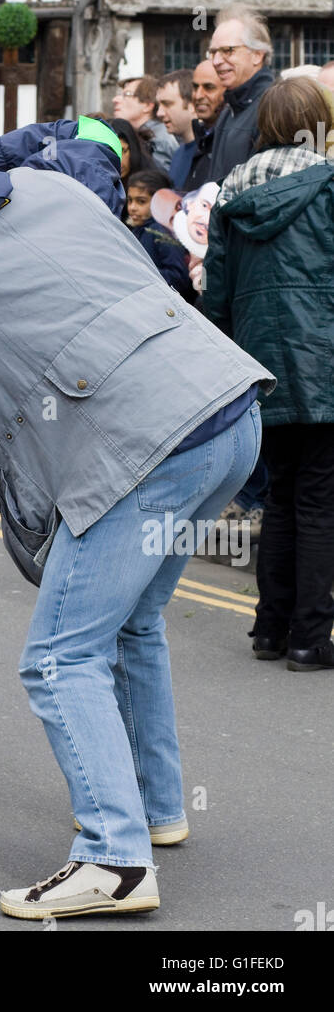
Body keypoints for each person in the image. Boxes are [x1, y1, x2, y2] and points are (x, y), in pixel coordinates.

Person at [0, 124, 272, 920]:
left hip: (146, 447)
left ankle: (115, 860)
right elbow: (83, 140)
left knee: (60, 657)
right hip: (228, 409)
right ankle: (157, 806)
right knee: (135, 624)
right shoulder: (58, 183)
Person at [202, 76, 334, 672]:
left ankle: (271, 629)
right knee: (320, 502)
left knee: (281, 495)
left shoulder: (231, 192)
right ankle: (311, 638)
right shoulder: (330, 183)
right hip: (326, 361)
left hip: (262, 362)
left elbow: (218, 296)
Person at [207, 5, 275, 182]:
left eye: (228, 50)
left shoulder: (273, 107)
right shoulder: (229, 108)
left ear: (257, 55)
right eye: (213, 52)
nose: (216, 61)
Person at [125, 169, 193, 300]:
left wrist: (139, 275)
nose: (132, 207)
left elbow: (178, 277)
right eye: (130, 200)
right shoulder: (139, 228)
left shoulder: (161, 231)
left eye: (141, 201)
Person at [168, 59, 227, 194]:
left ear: (226, 91)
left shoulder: (230, 142)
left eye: (209, 87)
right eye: (195, 87)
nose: (198, 95)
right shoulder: (197, 142)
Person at [112, 74, 178, 174]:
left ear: (147, 105)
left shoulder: (158, 139)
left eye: (127, 94)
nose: (115, 99)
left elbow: (156, 183)